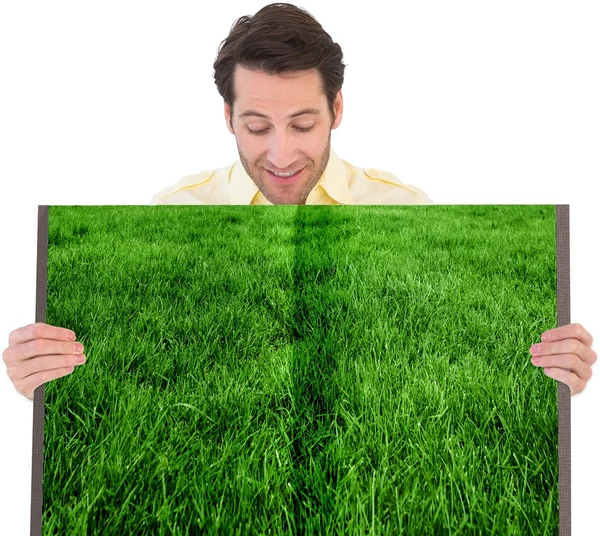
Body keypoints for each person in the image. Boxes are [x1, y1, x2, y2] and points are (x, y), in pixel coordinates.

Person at [2, 2, 596, 399]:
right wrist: (43, 376)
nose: (281, 154)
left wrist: (552, 372)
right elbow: (137, 374)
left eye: (304, 124)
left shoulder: (406, 210)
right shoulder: (175, 214)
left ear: (337, 111)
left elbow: (457, 360)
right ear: (228, 117)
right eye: (257, 127)